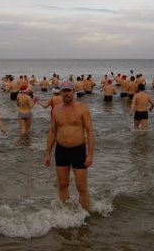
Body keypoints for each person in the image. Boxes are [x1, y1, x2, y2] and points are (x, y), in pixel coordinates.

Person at [44, 81, 95, 212]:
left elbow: (89, 132)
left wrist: (90, 155)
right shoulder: (56, 109)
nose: (66, 93)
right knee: (62, 184)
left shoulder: (82, 108)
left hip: (78, 151)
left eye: (69, 90)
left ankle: (85, 214)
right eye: (64, 91)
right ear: (60, 92)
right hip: (61, 151)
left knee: (81, 186)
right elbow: (52, 132)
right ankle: (65, 213)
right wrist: (47, 153)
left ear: (73, 92)